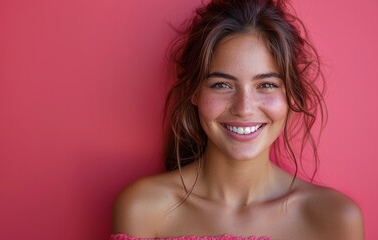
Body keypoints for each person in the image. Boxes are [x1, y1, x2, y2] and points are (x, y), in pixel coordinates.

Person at [110, 0, 364, 239]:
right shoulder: (143, 208)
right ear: (195, 92)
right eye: (221, 85)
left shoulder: (335, 218)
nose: (243, 108)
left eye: (266, 85)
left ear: (291, 95)